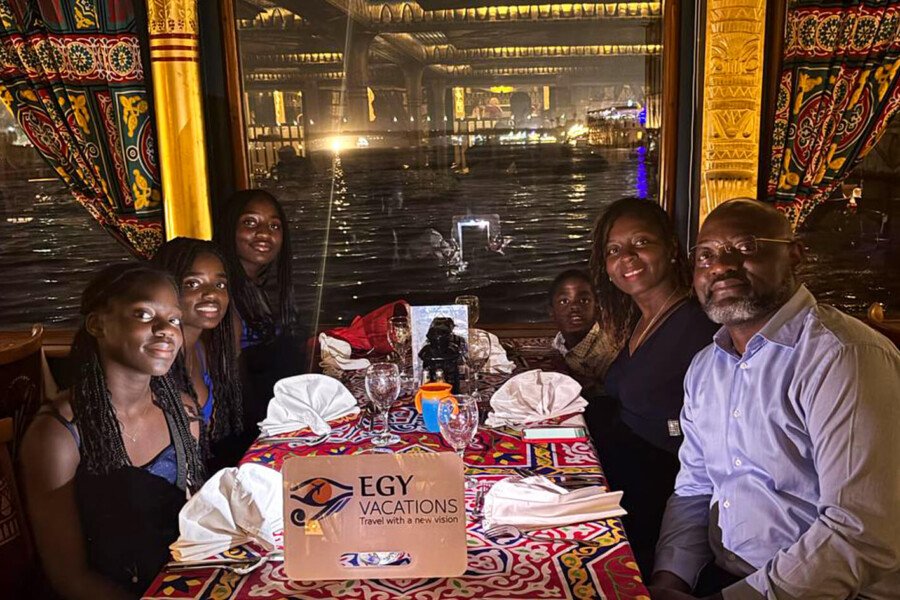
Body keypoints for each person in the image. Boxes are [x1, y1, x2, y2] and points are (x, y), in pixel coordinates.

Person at [650, 198, 900, 599]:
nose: (722, 265)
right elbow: (695, 487)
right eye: (706, 255)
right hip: (730, 576)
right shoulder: (706, 367)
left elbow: (860, 531)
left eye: (746, 247)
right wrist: (668, 580)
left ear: (794, 254)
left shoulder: (842, 357)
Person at [20, 263, 205, 599]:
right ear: (97, 324)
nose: (166, 330)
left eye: (174, 319)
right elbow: (69, 578)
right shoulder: (57, 435)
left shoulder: (182, 413)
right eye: (144, 315)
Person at [587, 197, 719, 577]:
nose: (627, 257)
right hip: (619, 476)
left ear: (672, 250)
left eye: (641, 242)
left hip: (656, 497)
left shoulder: (699, 326)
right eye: (614, 250)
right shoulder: (640, 319)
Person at [214, 189, 304, 438]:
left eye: (274, 225)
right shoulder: (223, 296)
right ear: (229, 227)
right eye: (250, 222)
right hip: (248, 431)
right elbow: (233, 385)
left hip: (275, 419)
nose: (264, 233)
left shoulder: (257, 289)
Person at [153, 238, 244, 467]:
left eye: (220, 285)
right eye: (193, 284)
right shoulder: (154, 360)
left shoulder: (201, 350)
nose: (211, 294)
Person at [547, 269, 617, 394]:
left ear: (596, 308)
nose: (574, 307)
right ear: (552, 312)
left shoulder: (606, 354)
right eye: (564, 301)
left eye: (584, 300)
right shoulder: (560, 340)